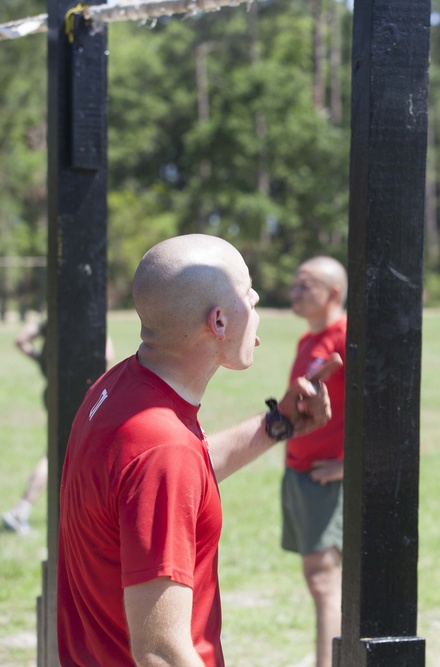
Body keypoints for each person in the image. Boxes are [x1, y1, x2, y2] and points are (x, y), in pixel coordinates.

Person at [56, 234, 339, 666]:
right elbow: (161, 653)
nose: (259, 298)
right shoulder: (162, 449)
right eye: (249, 292)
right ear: (220, 322)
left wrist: (276, 426)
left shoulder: (117, 388)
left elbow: (178, 473)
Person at [283, 256, 349, 667]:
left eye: (305, 285)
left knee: (324, 580)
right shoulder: (308, 340)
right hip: (300, 471)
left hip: (327, 476)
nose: (295, 292)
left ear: (333, 293)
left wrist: (349, 466)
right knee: (318, 578)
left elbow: (382, 406)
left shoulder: (345, 337)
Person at [2, 319, 114, 536]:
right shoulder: (92, 317)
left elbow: (21, 340)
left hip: (53, 391)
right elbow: (107, 356)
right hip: (82, 393)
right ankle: (21, 511)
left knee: (56, 453)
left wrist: (44, 364)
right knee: (57, 455)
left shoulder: (49, 321)